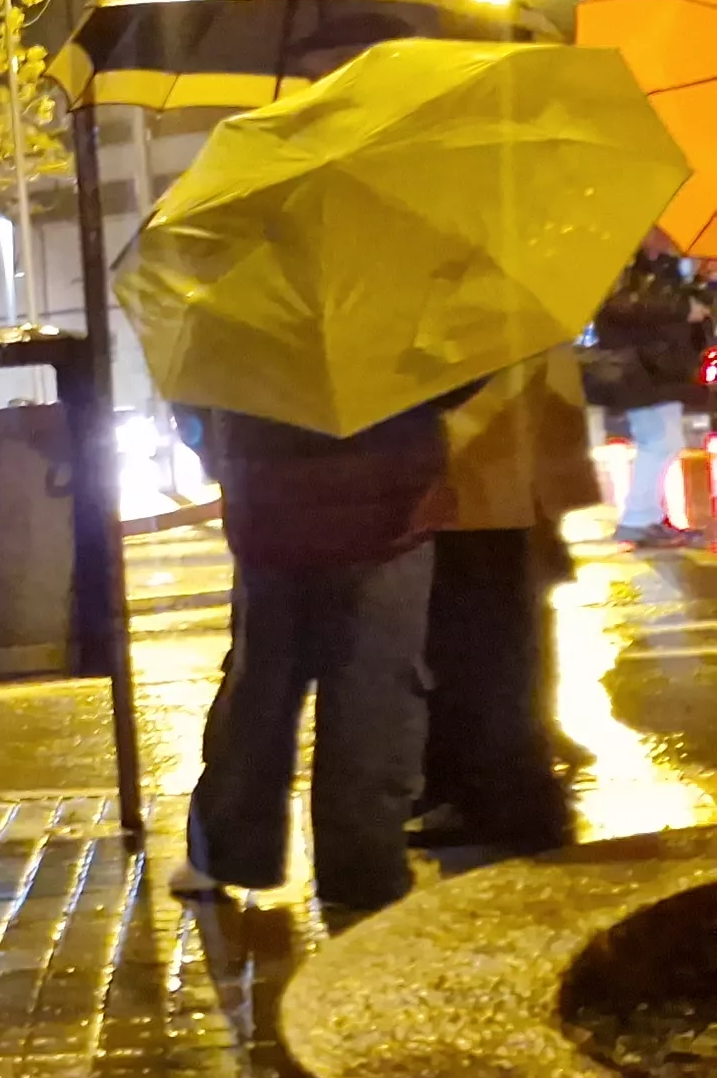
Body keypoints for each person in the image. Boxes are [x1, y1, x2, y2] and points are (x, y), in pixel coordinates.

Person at [175, 395, 458, 916]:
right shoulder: (386, 313)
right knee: (372, 690)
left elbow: (193, 389)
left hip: (266, 501)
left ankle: (222, 854)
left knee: (262, 680)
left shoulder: (235, 312)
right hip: (387, 505)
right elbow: (450, 374)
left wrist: (223, 459)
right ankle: (363, 872)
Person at [419, 355, 599, 860]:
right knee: (501, 639)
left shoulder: (473, 304)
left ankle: (501, 799)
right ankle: (497, 790)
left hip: (471, 489)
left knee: (480, 649)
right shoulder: (509, 296)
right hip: (499, 486)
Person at [582, 248, 707, 548]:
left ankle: (647, 517)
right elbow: (617, 307)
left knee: (665, 442)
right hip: (639, 370)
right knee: (658, 440)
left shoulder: (668, 267)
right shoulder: (621, 264)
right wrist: (681, 308)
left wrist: (699, 284)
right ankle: (638, 521)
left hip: (664, 371)